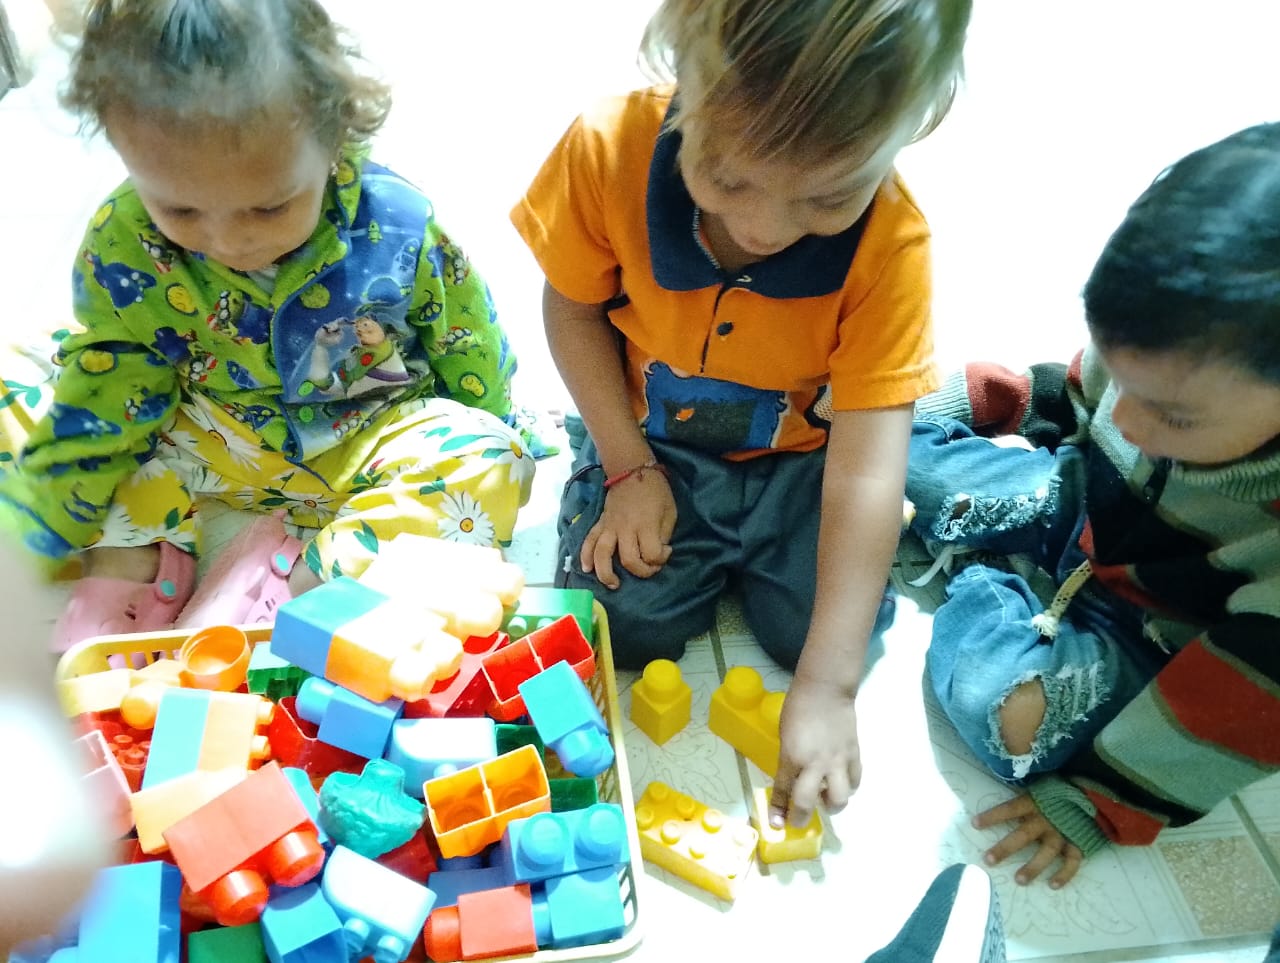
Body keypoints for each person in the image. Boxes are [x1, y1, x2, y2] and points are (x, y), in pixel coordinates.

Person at [512, 0, 971, 831]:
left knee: (822, 636)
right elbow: (572, 312)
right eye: (726, 178)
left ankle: (925, 414)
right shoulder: (607, 148)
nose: (762, 227)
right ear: (679, 74)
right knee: (617, 622)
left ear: (915, 127)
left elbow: (866, 474)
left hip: (806, 459)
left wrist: (827, 686)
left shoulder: (892, 245)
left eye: (827, 198)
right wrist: (626, 466)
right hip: (650, 442)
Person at [0, 0, 538, 652]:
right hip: (207, 432)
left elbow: (466, 336)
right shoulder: (122, 237)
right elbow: (117, 379)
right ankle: (135, 554)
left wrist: (488, 423)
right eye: (181, 210)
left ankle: (299, 586)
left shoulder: (398, 221)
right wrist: (48, 526)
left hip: (360, 438)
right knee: (22, 380)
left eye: (269, 207)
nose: (230, 241)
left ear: (334, 138)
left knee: (492, 452)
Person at [901, 123, 1280, 889]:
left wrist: (1101, 802)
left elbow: (1232, 717)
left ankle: (978, 570)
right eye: (1122, 373)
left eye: (1172, 416)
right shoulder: (1169, 358)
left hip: (1149, 642)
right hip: (1072, 504)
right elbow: (1071, 396)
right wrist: (983, 402)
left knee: (1006, 718)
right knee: (884, 443)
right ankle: (977, 538)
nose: (1128, 421)